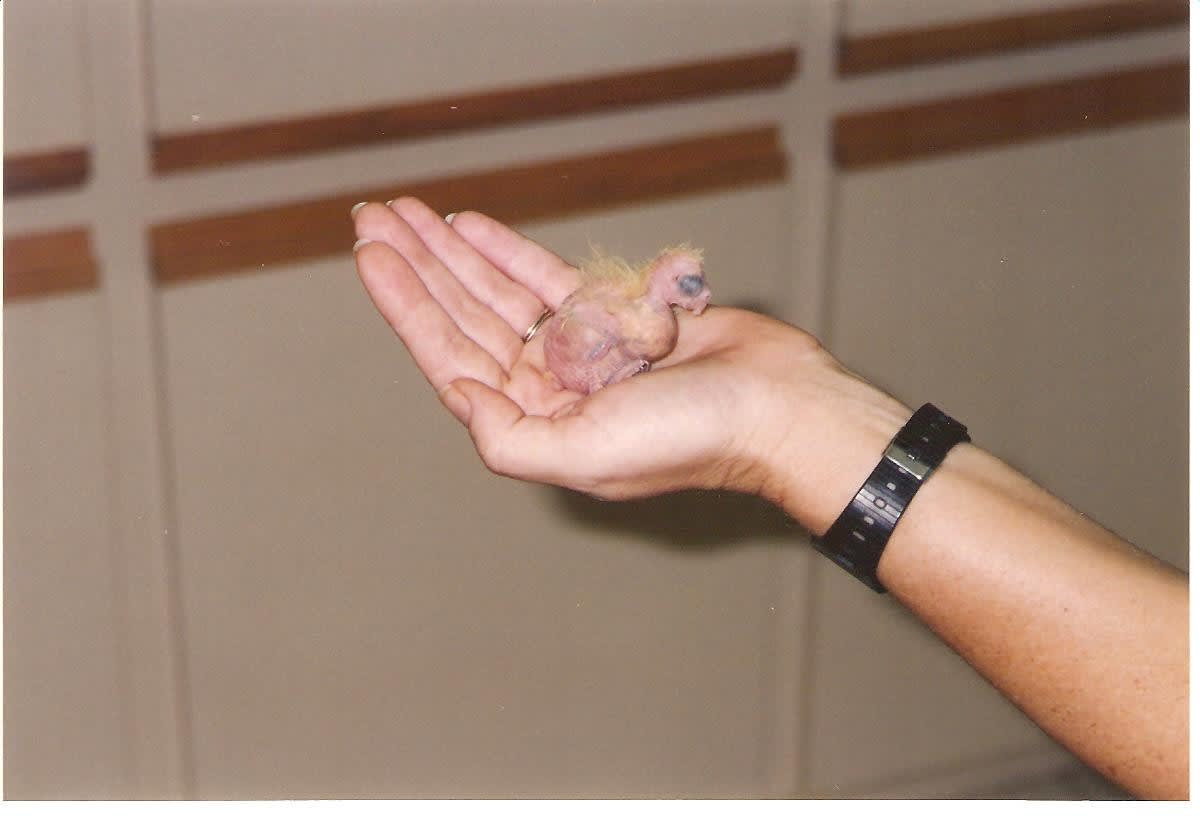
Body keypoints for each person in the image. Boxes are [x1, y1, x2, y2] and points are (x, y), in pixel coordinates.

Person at [350, 196, 1188, 800]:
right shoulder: (638, 322)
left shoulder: (644, 322)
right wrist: (789, 418)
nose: (698, 303)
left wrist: (784, 421)